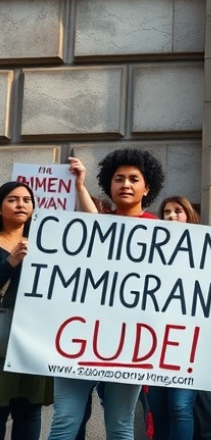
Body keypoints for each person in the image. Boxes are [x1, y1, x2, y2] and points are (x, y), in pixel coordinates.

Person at [48, 149, 166, 440]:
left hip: (130, 343)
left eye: (133, 179)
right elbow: (95, 224)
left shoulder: (162, 231)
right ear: (109, 185)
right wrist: (78, 185)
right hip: (80, 336)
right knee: (64, 420)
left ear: (146, 187)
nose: (125, 184)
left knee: (120, 425)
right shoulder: (97, 224)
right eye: (119, 178)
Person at [157, 196, 211, 440]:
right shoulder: (152, 252)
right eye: (166, 212)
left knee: (185, 407)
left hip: (196, 342)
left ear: (190, 215)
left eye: (178, 211)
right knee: (164, 410)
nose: (171, 216)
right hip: (158, 342)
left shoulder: (206, 249)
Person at [0, 181, 53, 440]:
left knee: (29, 410)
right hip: (2, 335)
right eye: (12, 199)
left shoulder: (44, 243)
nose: (21, 204)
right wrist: (9, 262)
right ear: (0, 208)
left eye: (26, 200)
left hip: (33, 334)